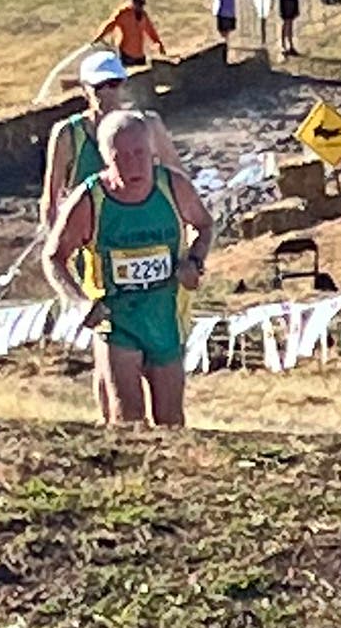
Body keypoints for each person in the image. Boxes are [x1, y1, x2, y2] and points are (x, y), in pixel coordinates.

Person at [43, 110, 216, 428]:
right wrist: (80, 301)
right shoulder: (90, 199)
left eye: (139, 153)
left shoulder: (173, 186)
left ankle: (171, 478)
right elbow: (54, 257)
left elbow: (204, 225)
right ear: (106, 158)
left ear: (152, 151)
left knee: (171, 421)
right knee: (128, 420)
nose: (133, 164)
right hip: (116, 319)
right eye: (121, 156)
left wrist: (195, 262)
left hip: (166, 317)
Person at [40, 51, 180, 234]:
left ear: (123, 84)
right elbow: (51, 198)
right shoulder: (67, 134)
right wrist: (56, 244)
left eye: (113, 84)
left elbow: (178, 178)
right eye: (98, 87)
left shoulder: (148, 125)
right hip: (89, 235)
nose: (107, 93)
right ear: (84, 89)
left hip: (143, 230)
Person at [94, 0, 168, 71]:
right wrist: (99, 36)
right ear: (133, 2)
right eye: (138, 4)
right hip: (126, 55)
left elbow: (151, 31)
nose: (140, 7)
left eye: (141, 5)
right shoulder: (124, 13)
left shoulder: (143, 16)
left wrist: (159, 44)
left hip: (140, 56)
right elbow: (110, 24)